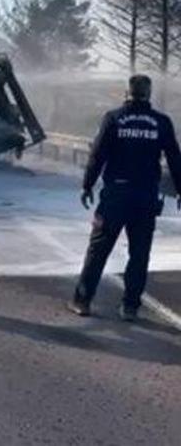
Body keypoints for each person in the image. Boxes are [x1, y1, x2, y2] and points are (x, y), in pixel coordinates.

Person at [71, 74, 181, 321]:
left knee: (98, 250)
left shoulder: (114, 118)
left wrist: (87, 185)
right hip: (146, 197)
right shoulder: (161, 122)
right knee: (139, 253)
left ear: (127, 93)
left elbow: (97, 155)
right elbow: (175, 158)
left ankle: (82, 300)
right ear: (148, 93)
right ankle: (130, 307)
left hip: (116, 195)